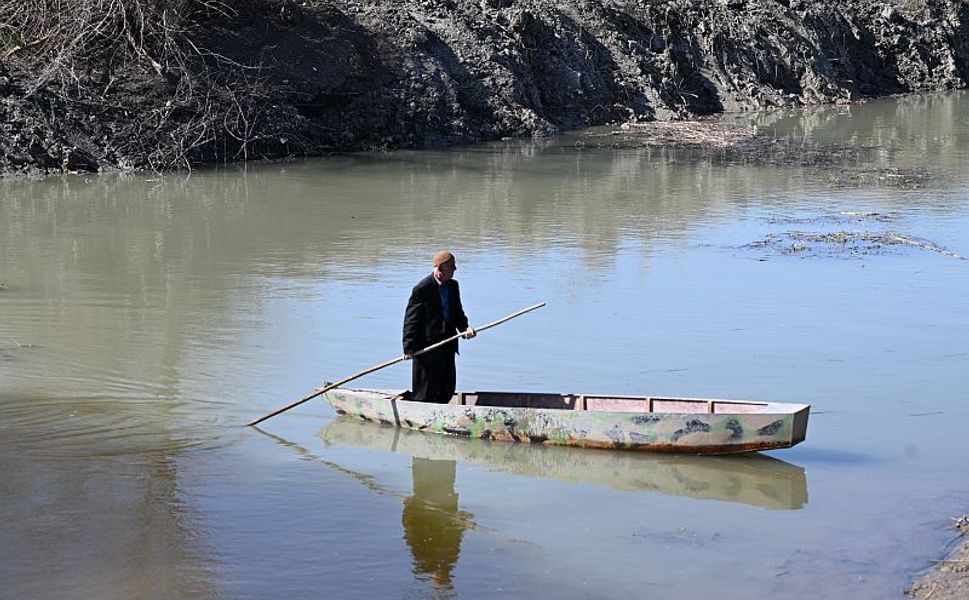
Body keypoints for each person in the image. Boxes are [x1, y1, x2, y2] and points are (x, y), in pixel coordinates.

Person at [402, 251, 475, 403]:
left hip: (447, 341)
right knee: (426, 388)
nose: (455, 269)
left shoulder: (453, 286)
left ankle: (443, 410)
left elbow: (457, 312)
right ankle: (421, 413)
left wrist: (465, 329)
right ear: (441, 268)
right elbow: (411, 320)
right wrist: (408, 348)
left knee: (447, 386)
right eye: (452, 266)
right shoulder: (422, 288)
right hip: (427, 345)